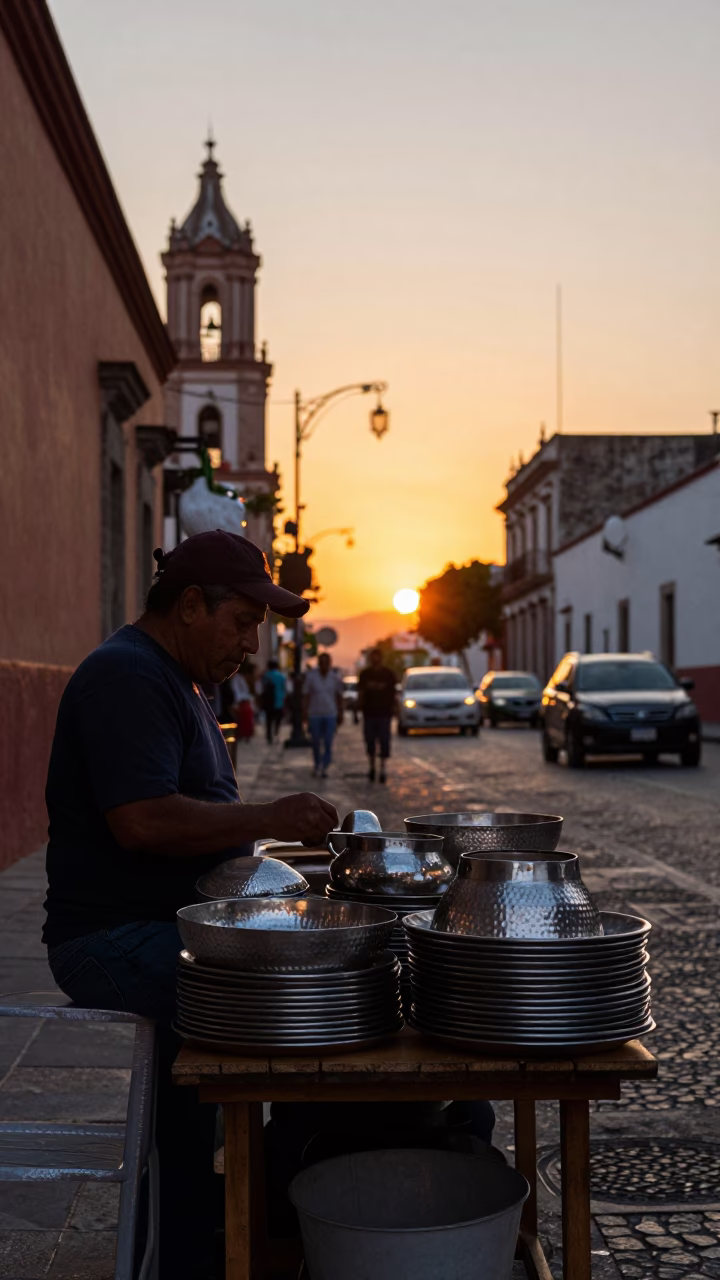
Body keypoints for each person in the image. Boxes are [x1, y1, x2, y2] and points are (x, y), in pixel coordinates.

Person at [43, 531, 338, 1280]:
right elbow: (141, 819)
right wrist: (270, 816)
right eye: (241, 623)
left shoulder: (184, 682)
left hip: (171, 926)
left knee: (320, 975)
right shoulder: (127, 677)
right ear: (191, 605)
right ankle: (267, 1199)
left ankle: (216, 1224)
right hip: (110, 939)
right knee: (293, 1004)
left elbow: (203, 820)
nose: (250, 645)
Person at [358, 648, 397, 783]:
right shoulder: (365, 674)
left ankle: (383, 768)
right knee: (370, 742)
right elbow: (361, 694)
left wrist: (395, 709)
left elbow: (394, 694)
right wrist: (357, 711)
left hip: (384, 714)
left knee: (384, 742)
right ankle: (372, 767)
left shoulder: (388, 674)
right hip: (369, 713)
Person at [303, 652, 343, 778]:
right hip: (315, 714)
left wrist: (340, 713)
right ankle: (317, 764)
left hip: (330, 714)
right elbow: (306, 695)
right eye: (322, 663)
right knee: (315, 741)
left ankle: (325, 766)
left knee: (328, 741)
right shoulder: (311, 677)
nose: (324, 665)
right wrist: (304, 712)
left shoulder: (335, 677)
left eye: (327, 663)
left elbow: (339, 696)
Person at [261, 659, 287, 744]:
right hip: (279, 701)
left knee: (269, 720)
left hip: (269, 701)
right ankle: (276, 733)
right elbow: (284, 688)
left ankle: (269, 736)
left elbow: (262, 687)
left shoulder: (266, 675)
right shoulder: (281, 676)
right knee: (278, 719)